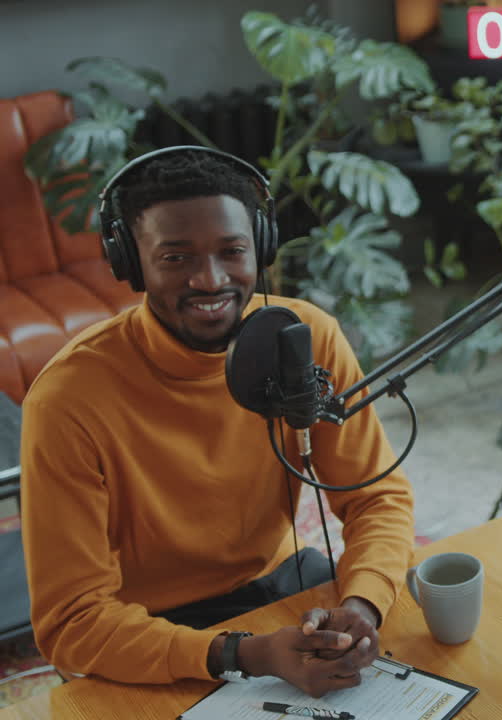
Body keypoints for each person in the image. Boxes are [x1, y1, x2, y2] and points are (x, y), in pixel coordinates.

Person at [20, 147, 415, 698]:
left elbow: (377, 498)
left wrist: (363, 601)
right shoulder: (68, 398)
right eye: (175, 257)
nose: (210, 280)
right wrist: (246, 654)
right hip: (146, 625)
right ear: (129, 262)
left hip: (277, 581)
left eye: (232, 251)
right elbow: (71, 623)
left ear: (262, 246)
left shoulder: (305, 338)